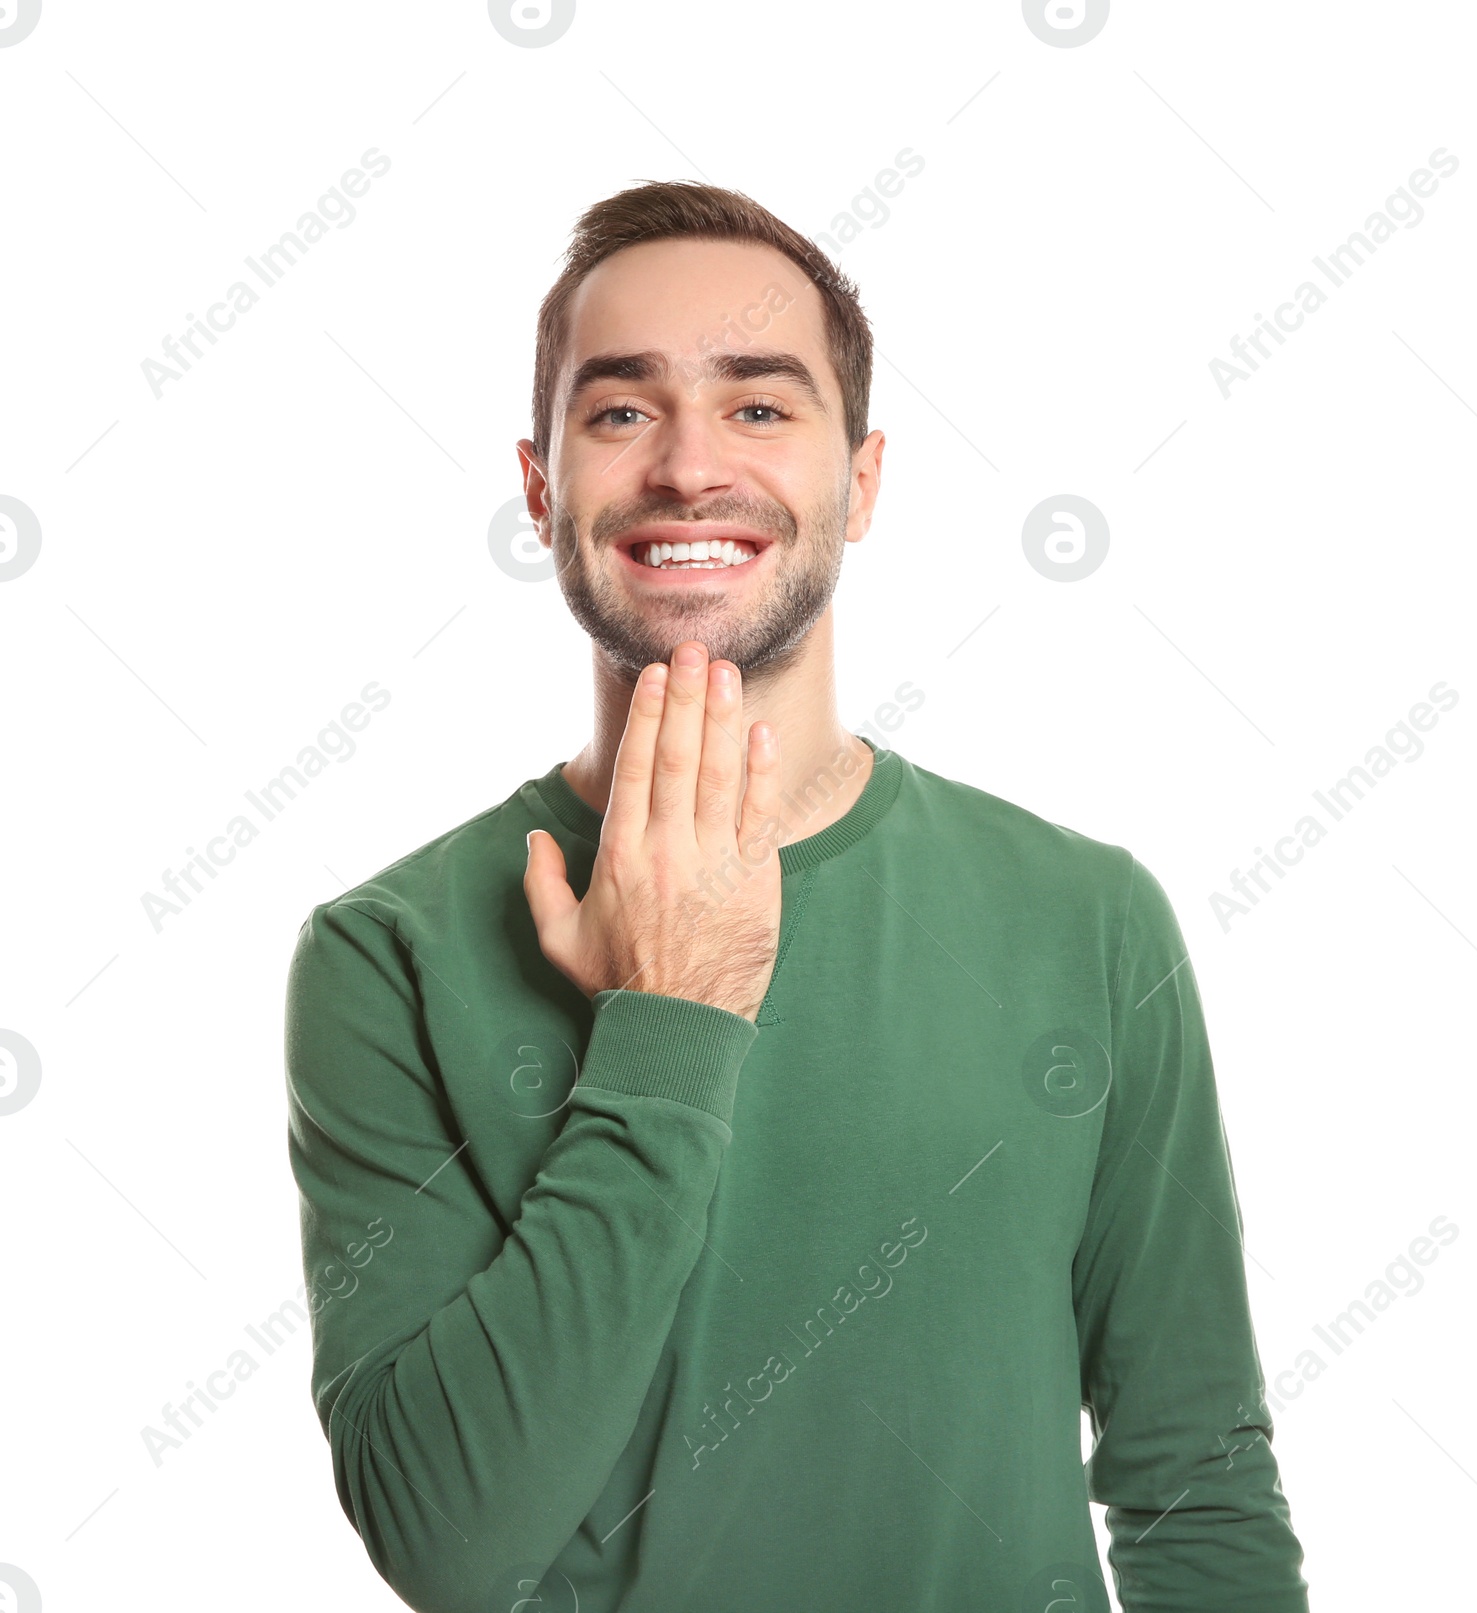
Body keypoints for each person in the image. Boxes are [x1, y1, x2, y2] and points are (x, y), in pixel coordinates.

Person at [284, 179, 1312, 1613]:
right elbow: (450, 1544)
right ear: (539, 489)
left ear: (865, 479)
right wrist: (667, 1016)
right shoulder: (385, 954)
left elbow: (1195, 1475)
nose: (691, 468)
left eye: (761, 407)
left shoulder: (1091, 916)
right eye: (622, 411)